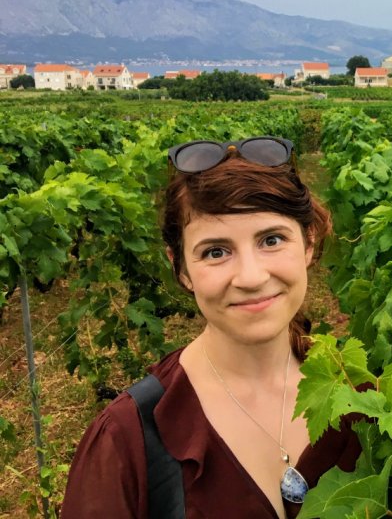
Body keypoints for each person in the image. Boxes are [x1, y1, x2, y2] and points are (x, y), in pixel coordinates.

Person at [61, 137, 362, 519]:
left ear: (308, 243)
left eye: (272, 240)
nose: (251, 277)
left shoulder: (362, 396)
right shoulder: (128, 441)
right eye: (215, 252)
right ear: (181, 268)